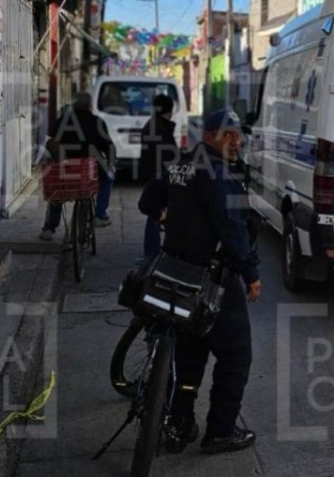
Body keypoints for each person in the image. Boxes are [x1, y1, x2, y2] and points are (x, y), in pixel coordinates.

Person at [138, 108, 261, 454]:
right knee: (236, 356)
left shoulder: (180, 164)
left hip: (175, 273)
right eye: (227, 135)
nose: (236, 141)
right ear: (209, 137)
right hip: (213, 281)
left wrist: (165, 215)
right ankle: (220, 431)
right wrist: (251, 274)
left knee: (189, 354)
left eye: (238, 135)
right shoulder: (217, 173)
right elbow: (232, 229)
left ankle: (179, 425)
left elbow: (147, 201)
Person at [40, 92, 115, 240]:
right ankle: (99, 215)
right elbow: (109, 147)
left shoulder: (62, 120)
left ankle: (49, 228)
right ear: (89, 105)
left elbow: (51, 141)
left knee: (57, 191)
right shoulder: (97, 122)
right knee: (109, 177)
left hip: (65, 170)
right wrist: (111, 163)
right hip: (90, 171)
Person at [137, 94, 181, 262]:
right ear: (169, 110)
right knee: (157, 213)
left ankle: (152, 252)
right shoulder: (160, 128)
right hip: (159, 175)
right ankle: (152, 253)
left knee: (155, 212)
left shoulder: (153, 124)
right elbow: (169, 155)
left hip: (153, 173)